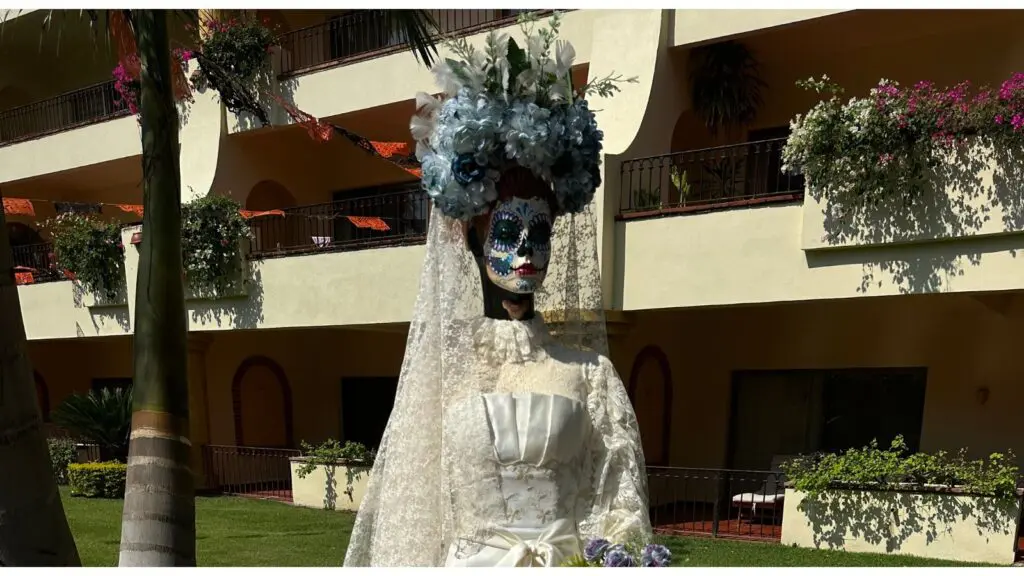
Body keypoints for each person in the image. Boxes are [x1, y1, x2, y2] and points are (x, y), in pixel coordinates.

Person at [343, 14, 651, 567]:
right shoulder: (443, 370)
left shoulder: (592, 376)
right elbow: (411, 514)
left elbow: (617, 502)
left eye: (540, 232)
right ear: (473, 236)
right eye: (508, 232)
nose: (526, 250)